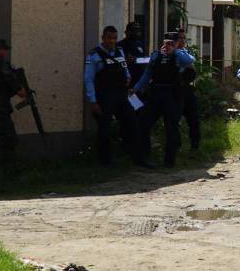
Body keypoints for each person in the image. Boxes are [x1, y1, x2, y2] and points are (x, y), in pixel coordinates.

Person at [84, 26, 151, 167]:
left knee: (132, 124)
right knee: (104, 129)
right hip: (104, 96)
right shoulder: (94, 55)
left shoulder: (119, 51)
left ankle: (138, 158)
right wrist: (93, 101)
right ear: (103, 38)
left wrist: (127, 77)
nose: (111, 41)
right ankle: (106, 161)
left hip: (121, 95)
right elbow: (88, 79)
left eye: (114, 38)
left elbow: (124, 67)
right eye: (108, 38)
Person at [133, 33, 195, 167]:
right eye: (165, 43)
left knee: (171, 128)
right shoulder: (156, 55)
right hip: (156, 95)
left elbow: (189, 61)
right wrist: (136, 88)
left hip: (172, 96)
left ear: (176, 44)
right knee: (143, 123)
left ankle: (169, 161)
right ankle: (144, 157)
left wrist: (175, 51)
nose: (167, 46)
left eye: (171, 43)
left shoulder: (180, 55)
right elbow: (147, 74)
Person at [175, 28, 201, 151]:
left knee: (194, 118)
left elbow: (192, 60)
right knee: (175, 119)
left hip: (188, 88)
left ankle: (195, 145)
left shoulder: (184, 51)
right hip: (176, 89)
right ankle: (176, 146)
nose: (183, 41)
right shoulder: (174, 52)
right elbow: (189, 60)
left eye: (184, 38)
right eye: (180, 38)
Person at [118, 21, 148, 89]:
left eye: (138, 30)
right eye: (134, 30)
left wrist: (137, 59)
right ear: (127, 32)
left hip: (139, 79)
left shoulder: (140, 44)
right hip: (126, 80)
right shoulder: (120, 45)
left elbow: (144, 59)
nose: (137, 32)